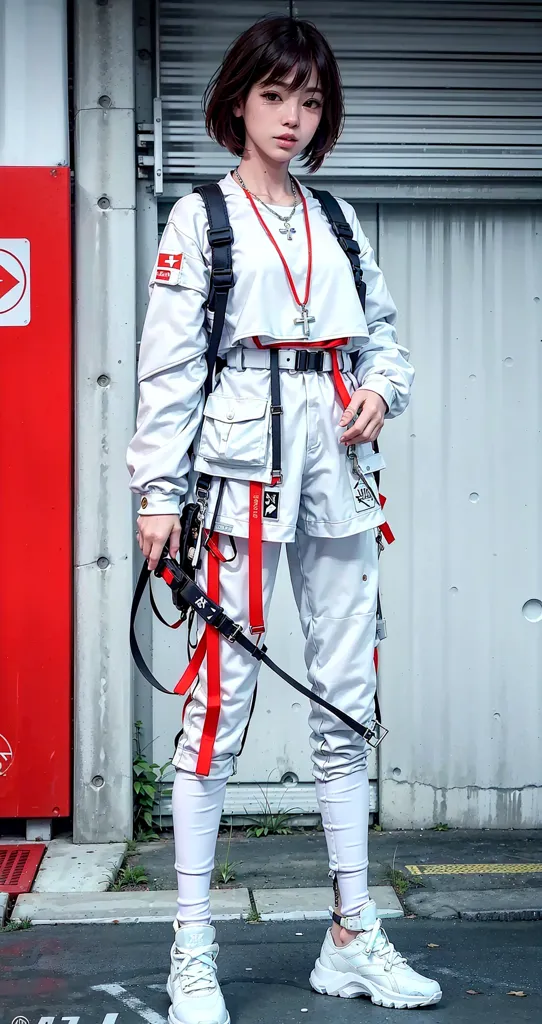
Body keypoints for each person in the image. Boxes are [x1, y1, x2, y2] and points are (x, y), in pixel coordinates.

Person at [127, 15, 442, 1023]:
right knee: (216, 711)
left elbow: (384, 346)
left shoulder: (340, 221)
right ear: (236, 100)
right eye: (275, 97)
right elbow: (170, 371)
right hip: (233, 477)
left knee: (345, 701)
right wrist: (155, 495)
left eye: (308, 101)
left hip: (339, 479)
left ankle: (350, 935)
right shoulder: (199, 222)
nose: (293, 119)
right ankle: (191, 950)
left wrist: (378, 393)